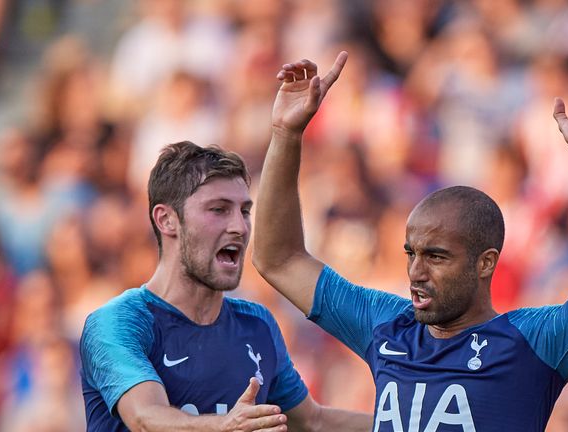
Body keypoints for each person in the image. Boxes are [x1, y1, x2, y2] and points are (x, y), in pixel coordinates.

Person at [253, 51, 568, 431]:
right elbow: (279, 259)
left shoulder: (531, 341)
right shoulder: (388, 325)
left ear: (485, 263)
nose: (415, 271)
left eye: (436, 256)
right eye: (411, 253)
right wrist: (286, 134)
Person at [79, 141, 371, 431]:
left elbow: (313, 422)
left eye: (244, 211)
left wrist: (407, 423)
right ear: (166, 220)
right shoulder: (117, 323)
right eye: (219, 210)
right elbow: (145, 418)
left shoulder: (257, 325)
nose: (240, 227)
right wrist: (226, 426)